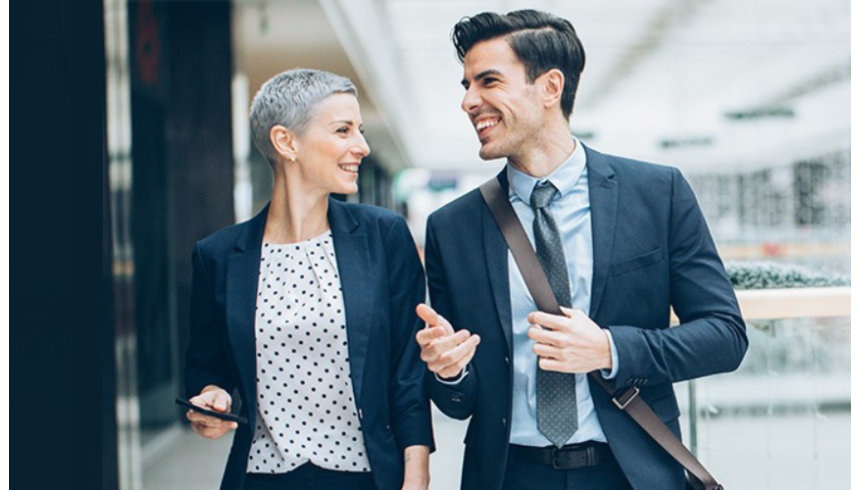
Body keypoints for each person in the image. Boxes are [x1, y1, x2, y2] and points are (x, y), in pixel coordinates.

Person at [415, 10, 748, 490]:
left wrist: (609, 348)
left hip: (632, 472)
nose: (469, 101)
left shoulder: (657, 194)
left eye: (488, 81)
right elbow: (458, 402)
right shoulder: (453, 228)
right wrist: (448, 373)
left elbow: (725, 336)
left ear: (550, 87)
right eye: (465, 85)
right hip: (508, 475)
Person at [184, 68, 433, 490]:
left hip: (367, 478)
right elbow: (207, 368)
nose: (362, 146)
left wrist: (417, 477)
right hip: (260, 478)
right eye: (343, 130)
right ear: (286, 142)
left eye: (360, 130)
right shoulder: (219, 256)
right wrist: (212, 400)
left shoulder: (383, 237)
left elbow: (407, 375)